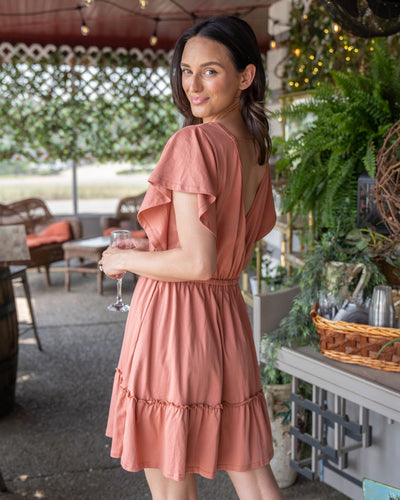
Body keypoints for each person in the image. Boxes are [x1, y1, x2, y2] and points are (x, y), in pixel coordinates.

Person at [100, 15, 285, 500]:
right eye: (186, 71)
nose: (193, 85)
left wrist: (123, 262)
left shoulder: (194, 142)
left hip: (175, 322)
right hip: (225, 319)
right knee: (251, 472)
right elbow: (217, 249)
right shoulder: (256, 150)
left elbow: (196, 264)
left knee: (171, 480)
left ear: (245, 77)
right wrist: (146, 246)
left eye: (210, 71)